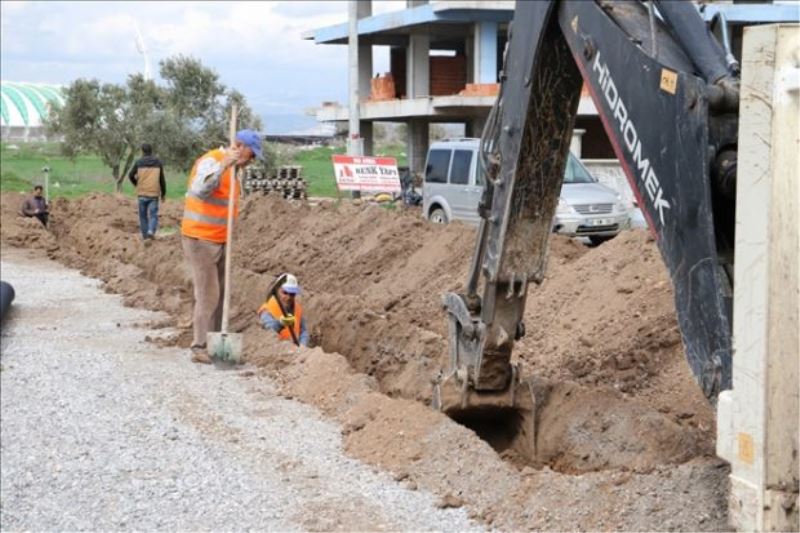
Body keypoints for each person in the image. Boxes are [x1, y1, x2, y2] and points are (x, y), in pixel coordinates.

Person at [182, 130, 263, 364]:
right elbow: (199, 190)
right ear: (238, 145)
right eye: (251, 154)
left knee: (221, 291)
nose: (252, 160)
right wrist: (223, 166)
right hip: (200, 238)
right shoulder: (212, 161)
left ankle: (215, 342)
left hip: (219, 238)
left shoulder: (235, 172)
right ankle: (199, 346)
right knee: (209, 294)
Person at [257, 274, 309, 347]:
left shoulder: (298, 309)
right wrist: (280, 323)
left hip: (296, 352)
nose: (288, 297)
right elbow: (267, 330)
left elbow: (303, 331)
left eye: (292, 294)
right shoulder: (267, 309)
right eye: (285, 293)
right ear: (277, 291)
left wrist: (303, 345)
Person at [128, 143, 166, 240]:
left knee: (143, 216)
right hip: (153, 193)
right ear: (151, 151)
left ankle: (145, 238)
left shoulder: (139, 162)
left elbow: (130, 175)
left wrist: (137, 184)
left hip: (142, 193)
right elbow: (162, 179)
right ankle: (150, 231)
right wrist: (163, 193)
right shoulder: (158, 162)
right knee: (153, 215)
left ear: (142, 151)